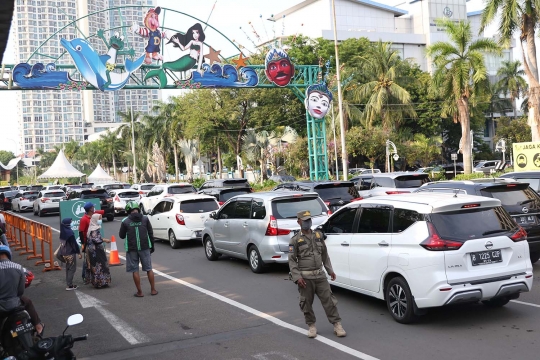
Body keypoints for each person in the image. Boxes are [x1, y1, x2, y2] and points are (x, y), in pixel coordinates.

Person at [288, 210, 346, 339]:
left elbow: (325, 255)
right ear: (299, 222)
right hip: (305, 277)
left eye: (309, 220)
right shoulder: (295, 240)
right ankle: (311, 326)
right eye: (304, 220)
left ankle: (337, 325)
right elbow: (292, 260)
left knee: (329, 301)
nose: (307, 222)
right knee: (306, 303)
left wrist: (330, 270)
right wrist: (297, 277)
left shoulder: (318, 236)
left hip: (320, 275)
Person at [144, 23, 206, 88]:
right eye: (193, 33)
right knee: (165, 64)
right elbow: (183, 48)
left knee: (168, 65)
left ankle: (159, 74)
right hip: (187, 58)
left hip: (191, 61)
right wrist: (178, 42)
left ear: (200, 33)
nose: (195, 35)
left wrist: (198, 69)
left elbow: (201, 56)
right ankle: (160, 75)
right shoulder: (191, 41)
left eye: (197, 32)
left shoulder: (200, 44)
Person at [0, 245, 43, 335]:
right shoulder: (18, 267)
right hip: (15, 304)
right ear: (8, 254)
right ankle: (38, 326)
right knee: (28, 301)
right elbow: (20, 291)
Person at [119, 201, 157, 297]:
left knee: (135, 270)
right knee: (149, 269)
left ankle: (140, 292)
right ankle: (153, 290)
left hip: (132, 249)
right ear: (138, 209)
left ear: (128, 211)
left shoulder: (125, 221)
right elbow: (151, 233)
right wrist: (152, 246)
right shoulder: (145, 219)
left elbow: (121, 236)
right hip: (145, 247)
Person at [79, 202, 104, 285]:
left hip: (95, 241)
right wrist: (83, 243)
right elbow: (81, 232)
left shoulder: (93, 217)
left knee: (94, 260)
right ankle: (85, 277)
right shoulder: (84, 219)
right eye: (93, 207)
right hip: (88, 242)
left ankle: (94, 277)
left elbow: (102, 212)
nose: (94, 208)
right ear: (90, 209)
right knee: (88, 260)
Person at [85, 214, 111, 288]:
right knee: (100, 266)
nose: (100, 220)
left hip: (95, 250)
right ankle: (100, 282)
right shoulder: (93, 230)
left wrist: (103, 240)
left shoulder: (93, 228)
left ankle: (102, 282)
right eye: (99, 219)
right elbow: (96, 240)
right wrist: (105, 240)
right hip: (96, 251)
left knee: (99, 266)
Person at [59, 218, 82, 290]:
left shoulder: (63, 232)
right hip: (70, 253)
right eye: (71, 222)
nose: (72, 223)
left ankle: (69, 283)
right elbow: (74, 244)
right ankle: (69, 285)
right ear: (68, 224)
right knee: (72, 268)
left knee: (68, 268)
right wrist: (78, 252)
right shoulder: (70, 233)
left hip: (64, 253)